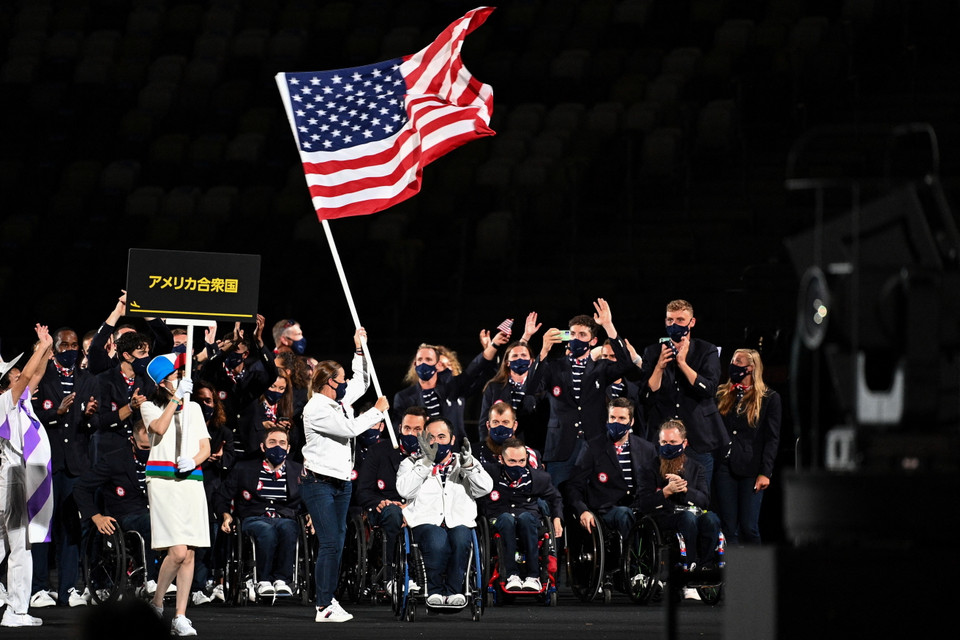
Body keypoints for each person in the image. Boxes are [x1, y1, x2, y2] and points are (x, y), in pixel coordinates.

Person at [300, 328, 388, 623]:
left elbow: (362, 381)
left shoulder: (339, 401)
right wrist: (376, 412)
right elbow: (349, 430)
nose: (345, 384)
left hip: (341, 483)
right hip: (319, 483)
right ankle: (323, 605)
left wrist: (359, 351)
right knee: (329, 543)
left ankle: (328, 599)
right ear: (328, 383)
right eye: (341, 380)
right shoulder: (316, 409)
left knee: (337, 540)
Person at [140, 354, 211, 637]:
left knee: (189, 552)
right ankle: (157, 602)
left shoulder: (193, 408)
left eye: (181, 373)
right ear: (162, 382)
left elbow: (205, 446)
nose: (180, 378)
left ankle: (180, 616)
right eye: (175, 375)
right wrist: (175, 400)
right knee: (177, 551)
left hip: (190, 479)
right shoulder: (148, 406)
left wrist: (194, 460)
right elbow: (158, 428)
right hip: (162, 480)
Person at [30, 326, 98, 608]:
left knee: (71, 527)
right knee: (43, 526)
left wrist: (90, 416)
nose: (70, 350)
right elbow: (30, 415)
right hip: (47, 460)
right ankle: (40, 588)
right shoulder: (43, 376)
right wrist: (55, 413)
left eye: (73, 346)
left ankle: (68, 589)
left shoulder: (87, 379)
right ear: (55, 347)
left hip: (76, 464)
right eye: (64, 345)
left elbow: (92, 422)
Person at [537, 298, 635, 488]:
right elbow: (532, 388)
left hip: (594, 444)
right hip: (560, 447)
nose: (576, 338)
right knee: (558, 501)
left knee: (592, 502)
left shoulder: (601, 368)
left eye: (582, 334)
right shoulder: (553, 367)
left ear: (593, 340)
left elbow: (626, 364)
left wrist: (608, 325)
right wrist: (544, 350)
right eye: (572, 334)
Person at [396, 418, 492, 608]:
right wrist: (425, 463)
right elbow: (404, 491)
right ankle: (434, 590)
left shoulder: (463, 461)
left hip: (459, 522)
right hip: (426, 523)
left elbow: (485, 489)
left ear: (452, 439)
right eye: (431, 437)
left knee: (461, 538)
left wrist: (469, 466)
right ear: (423, 438)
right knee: (437, 539)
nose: (437, 442)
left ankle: (454, 591)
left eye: (442, 436)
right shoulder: (410, 462)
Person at [637, 299, 726, 484]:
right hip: (664, 441)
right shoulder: (653, 352)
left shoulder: (706, 350)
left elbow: (709, 389)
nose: (674, 325)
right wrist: (659, 367)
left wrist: (682, 364)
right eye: (670, 320)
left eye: (680, 320)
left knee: (699, 498)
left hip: (697, 439)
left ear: (691, 322)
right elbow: (646, 396)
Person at [0, 324, 53, 627]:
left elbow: (34, 376)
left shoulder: (17, 401)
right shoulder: (3, 402)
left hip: (14, 477)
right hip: (13, 479)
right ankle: (16, 611)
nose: (18, 373)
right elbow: (25, 380)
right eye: (12, 372)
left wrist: (44, 349)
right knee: (21, 546)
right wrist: (39, 350)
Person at [73, 420, 162, 596]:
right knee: (150, 522)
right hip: (126, 514)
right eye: (144, 447)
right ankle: (149, 579)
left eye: (151, 446)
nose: (148, 451)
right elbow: (81, 487)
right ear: (132, 441)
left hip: (155, 510)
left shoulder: (161, 458)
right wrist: (96, 516)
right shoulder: (114, 460)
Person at [215, 426, 303, 598]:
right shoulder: (244, 468)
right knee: (266, 530)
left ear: (288, 448)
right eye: (272, 442)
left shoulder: (298, 471)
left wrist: (311, 517)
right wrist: (225, 515)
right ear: (263, 447)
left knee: (288, 528)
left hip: (284, 516)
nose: (277, 447)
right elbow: (221, 496)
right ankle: (262, 579)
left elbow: (309, 500)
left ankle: (281, 580)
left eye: (282, 443)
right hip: (253, 517)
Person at [354, 406, 427, 590]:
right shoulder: (378, 451)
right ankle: (391, 577)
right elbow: (363, 491)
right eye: (407, 428)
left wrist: (408, 507)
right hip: (383, 509)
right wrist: (381, 502)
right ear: (399, 428)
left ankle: (426, 576)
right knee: (393, 513)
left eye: (417, 430)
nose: (411, 433)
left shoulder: (430, 455)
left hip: (419, 509)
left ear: (425, 432)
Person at [635, 419, 722, 575]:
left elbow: (704, 501)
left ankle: (705, 565)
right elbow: (643, 503)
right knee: (687, 519)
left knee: (711, 519)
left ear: (684, 443)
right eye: (664, 442)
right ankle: (689, 567)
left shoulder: (696, 468)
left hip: (692, 513)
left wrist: (685, 489)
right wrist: (666, 492)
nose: (668, 446)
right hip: (663, 516)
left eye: (673, 442)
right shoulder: (648, 468)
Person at [563, 398, 658, 540]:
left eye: (621, 418)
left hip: (640, 506)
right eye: (612, 417)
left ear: (631, 422)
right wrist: (583, 511)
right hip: (607, 509)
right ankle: (632, 561)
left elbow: (655, 482)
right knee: (624, 515)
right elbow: (574, 485)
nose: (616, 422)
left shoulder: (646, 449)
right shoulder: (593, 447)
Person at [392, 328, 506, 446]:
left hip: (455, 452)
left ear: (437, 364)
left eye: (428, 359)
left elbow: (474, 369)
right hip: (421, 454)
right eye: (420, 360)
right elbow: (399, 429)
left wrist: (493, 346)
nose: (423, 363)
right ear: (415, 364)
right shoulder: (403, 397)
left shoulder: (453, 387)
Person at [714, 349, 781, 545]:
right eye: (732, 361)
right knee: (728, 527)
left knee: (748, 527)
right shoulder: (722, 394)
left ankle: (755, 574)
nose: (733, 365)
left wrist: (765, 472)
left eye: (738, 362)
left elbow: (772, 438)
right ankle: (735, 574)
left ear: (750, 368)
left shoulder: (769, 398)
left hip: (751, 468)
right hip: (724, 467)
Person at [479, 437, 562, 593]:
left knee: (526, 518)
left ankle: (533, 576)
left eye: (522, 461)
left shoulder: (539, 478)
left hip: (529, 519)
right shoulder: (489, 473)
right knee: (506, 519)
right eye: (512, 461)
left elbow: (555, 498)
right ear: (501, 459)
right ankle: (511, 575)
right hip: (499, 519)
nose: (517, 465)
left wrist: (557, 518)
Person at [477, 313, 546, 445]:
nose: (519, 359)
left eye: (523, 355)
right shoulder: (494, 386)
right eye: (514, 356)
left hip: (532, 445)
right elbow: (483, 422)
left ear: (531, 361)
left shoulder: (540, 386)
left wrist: (527, 336)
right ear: (507, 362)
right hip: (499, 445)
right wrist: (484, 448)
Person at [477, 401, 542, 469]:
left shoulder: (530, 455)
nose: (500, 427)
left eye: (505, 422)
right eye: (495, 422)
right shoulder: (473, 454)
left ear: (514, 425)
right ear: (488, 425)